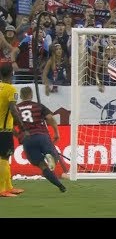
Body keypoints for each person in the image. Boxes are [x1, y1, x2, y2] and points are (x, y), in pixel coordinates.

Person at [16, 87, 67, 192]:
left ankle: (60, 186)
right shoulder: (38, 106)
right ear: (31, 95)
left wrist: (19, 136)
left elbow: (10, 126)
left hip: (27, 139)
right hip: (41, 135)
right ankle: (50, 156)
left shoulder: (15, 108)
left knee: (42, 166)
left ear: (20, 97)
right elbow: (50, 118)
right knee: (54, 157)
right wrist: (56, 132)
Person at [0, 63, 27, 197]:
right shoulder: (11, 89)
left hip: (3, 128)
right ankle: (2, 189)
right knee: (4, 158)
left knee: (5, 157)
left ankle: (9, 187)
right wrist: (22, 126)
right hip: (4, 130)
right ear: (11, 74)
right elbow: (13, 110)